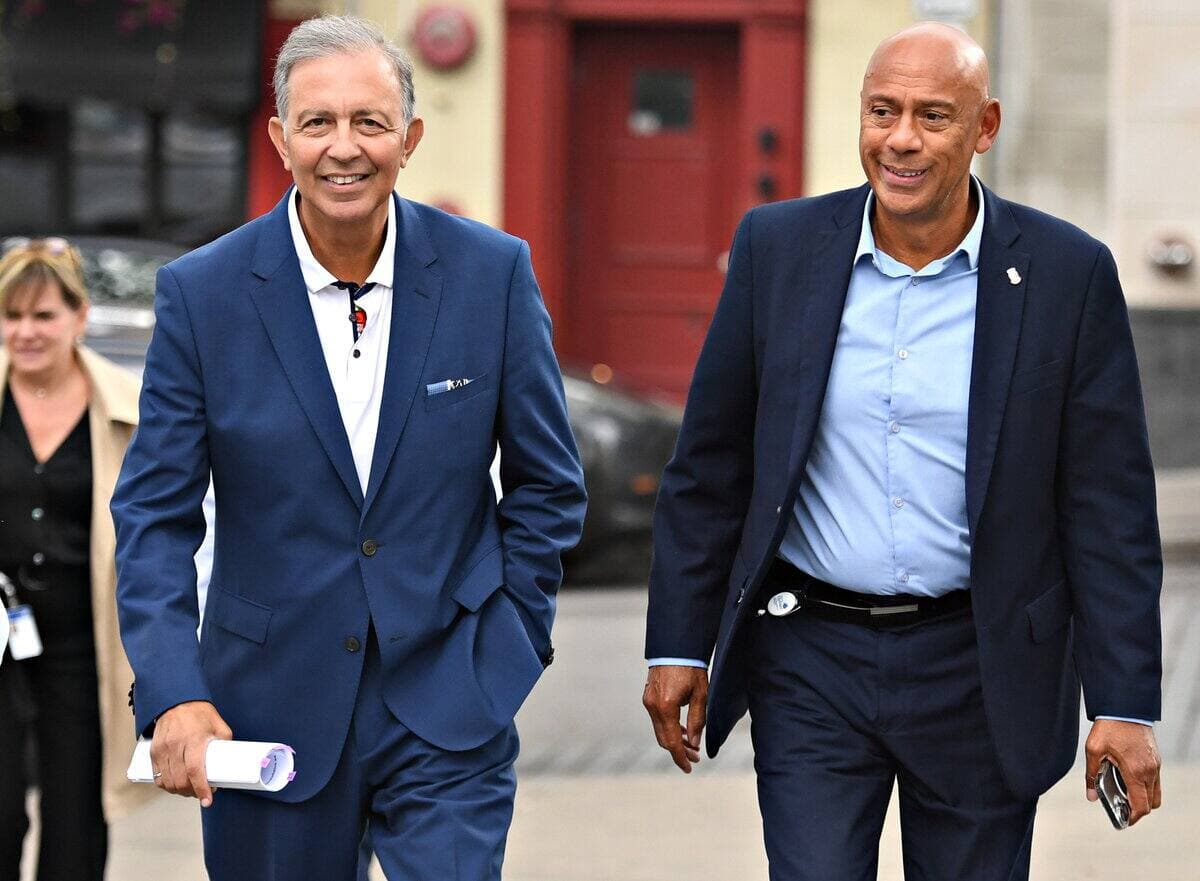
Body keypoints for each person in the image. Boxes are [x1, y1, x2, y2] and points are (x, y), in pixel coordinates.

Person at [642, 22, 1162, 880]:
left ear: (984, 127)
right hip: (811, 657)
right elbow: (709, 467)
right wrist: (679, 646)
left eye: (933, 115)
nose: (902, 139)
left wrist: (1124, 703)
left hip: (982, 665)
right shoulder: (778, 251)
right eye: (882, 111)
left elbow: (1107, 508)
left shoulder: (1069, 276)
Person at [111, 15, 585, 881]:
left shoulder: (493, 274)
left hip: (449, 697)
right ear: (280, 137)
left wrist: (512, 636)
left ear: (408, 139)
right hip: (266, 707)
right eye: (318, 122)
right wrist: (173, 687)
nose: (344, 148)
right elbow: (153, 514)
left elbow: (548, 484)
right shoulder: (201, 294)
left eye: (369, 122)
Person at [0, 238, 150, 880]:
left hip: (85, 642)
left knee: (78, 815)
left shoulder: (129, 407)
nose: (26, 332)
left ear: (80, 316)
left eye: (44, 315)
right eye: (12, 315)